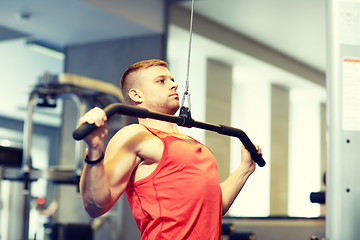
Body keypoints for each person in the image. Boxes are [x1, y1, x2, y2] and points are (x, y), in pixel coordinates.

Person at [78, 59, 262, 240]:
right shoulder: (136, 135)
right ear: (136, 95)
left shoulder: (196, 145)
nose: (174, 85)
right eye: (161, 81)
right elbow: (95, 206)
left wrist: (244, 170)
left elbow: (213, 208)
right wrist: (94, 148)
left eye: (172, 80)